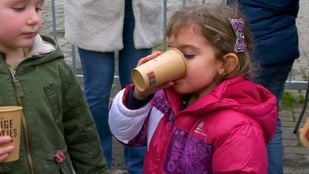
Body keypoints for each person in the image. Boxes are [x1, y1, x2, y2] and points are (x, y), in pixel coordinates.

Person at [109, 4, 278, 173]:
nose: (175, 61)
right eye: (172, 51)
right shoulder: (166, 99)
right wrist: (138, 97)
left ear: (225, 64)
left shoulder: (240, 129)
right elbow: (126, 133)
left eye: (188, 55)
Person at [0, 0, 109, 173]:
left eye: (38, 8)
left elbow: (81, 132)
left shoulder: (53, 65)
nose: (34, 19)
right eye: (19, 8)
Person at [64, 0, 163, 172]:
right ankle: (97, 164)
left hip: (140, 7)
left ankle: (139, 167)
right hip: (92, 9)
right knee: (97, 94)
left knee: (141, 90)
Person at [234, 1, 300, 173]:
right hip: (284, 49)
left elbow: (237, 21)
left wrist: (239, 54)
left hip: (256, 54)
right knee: (271, 116)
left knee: (244, 118)